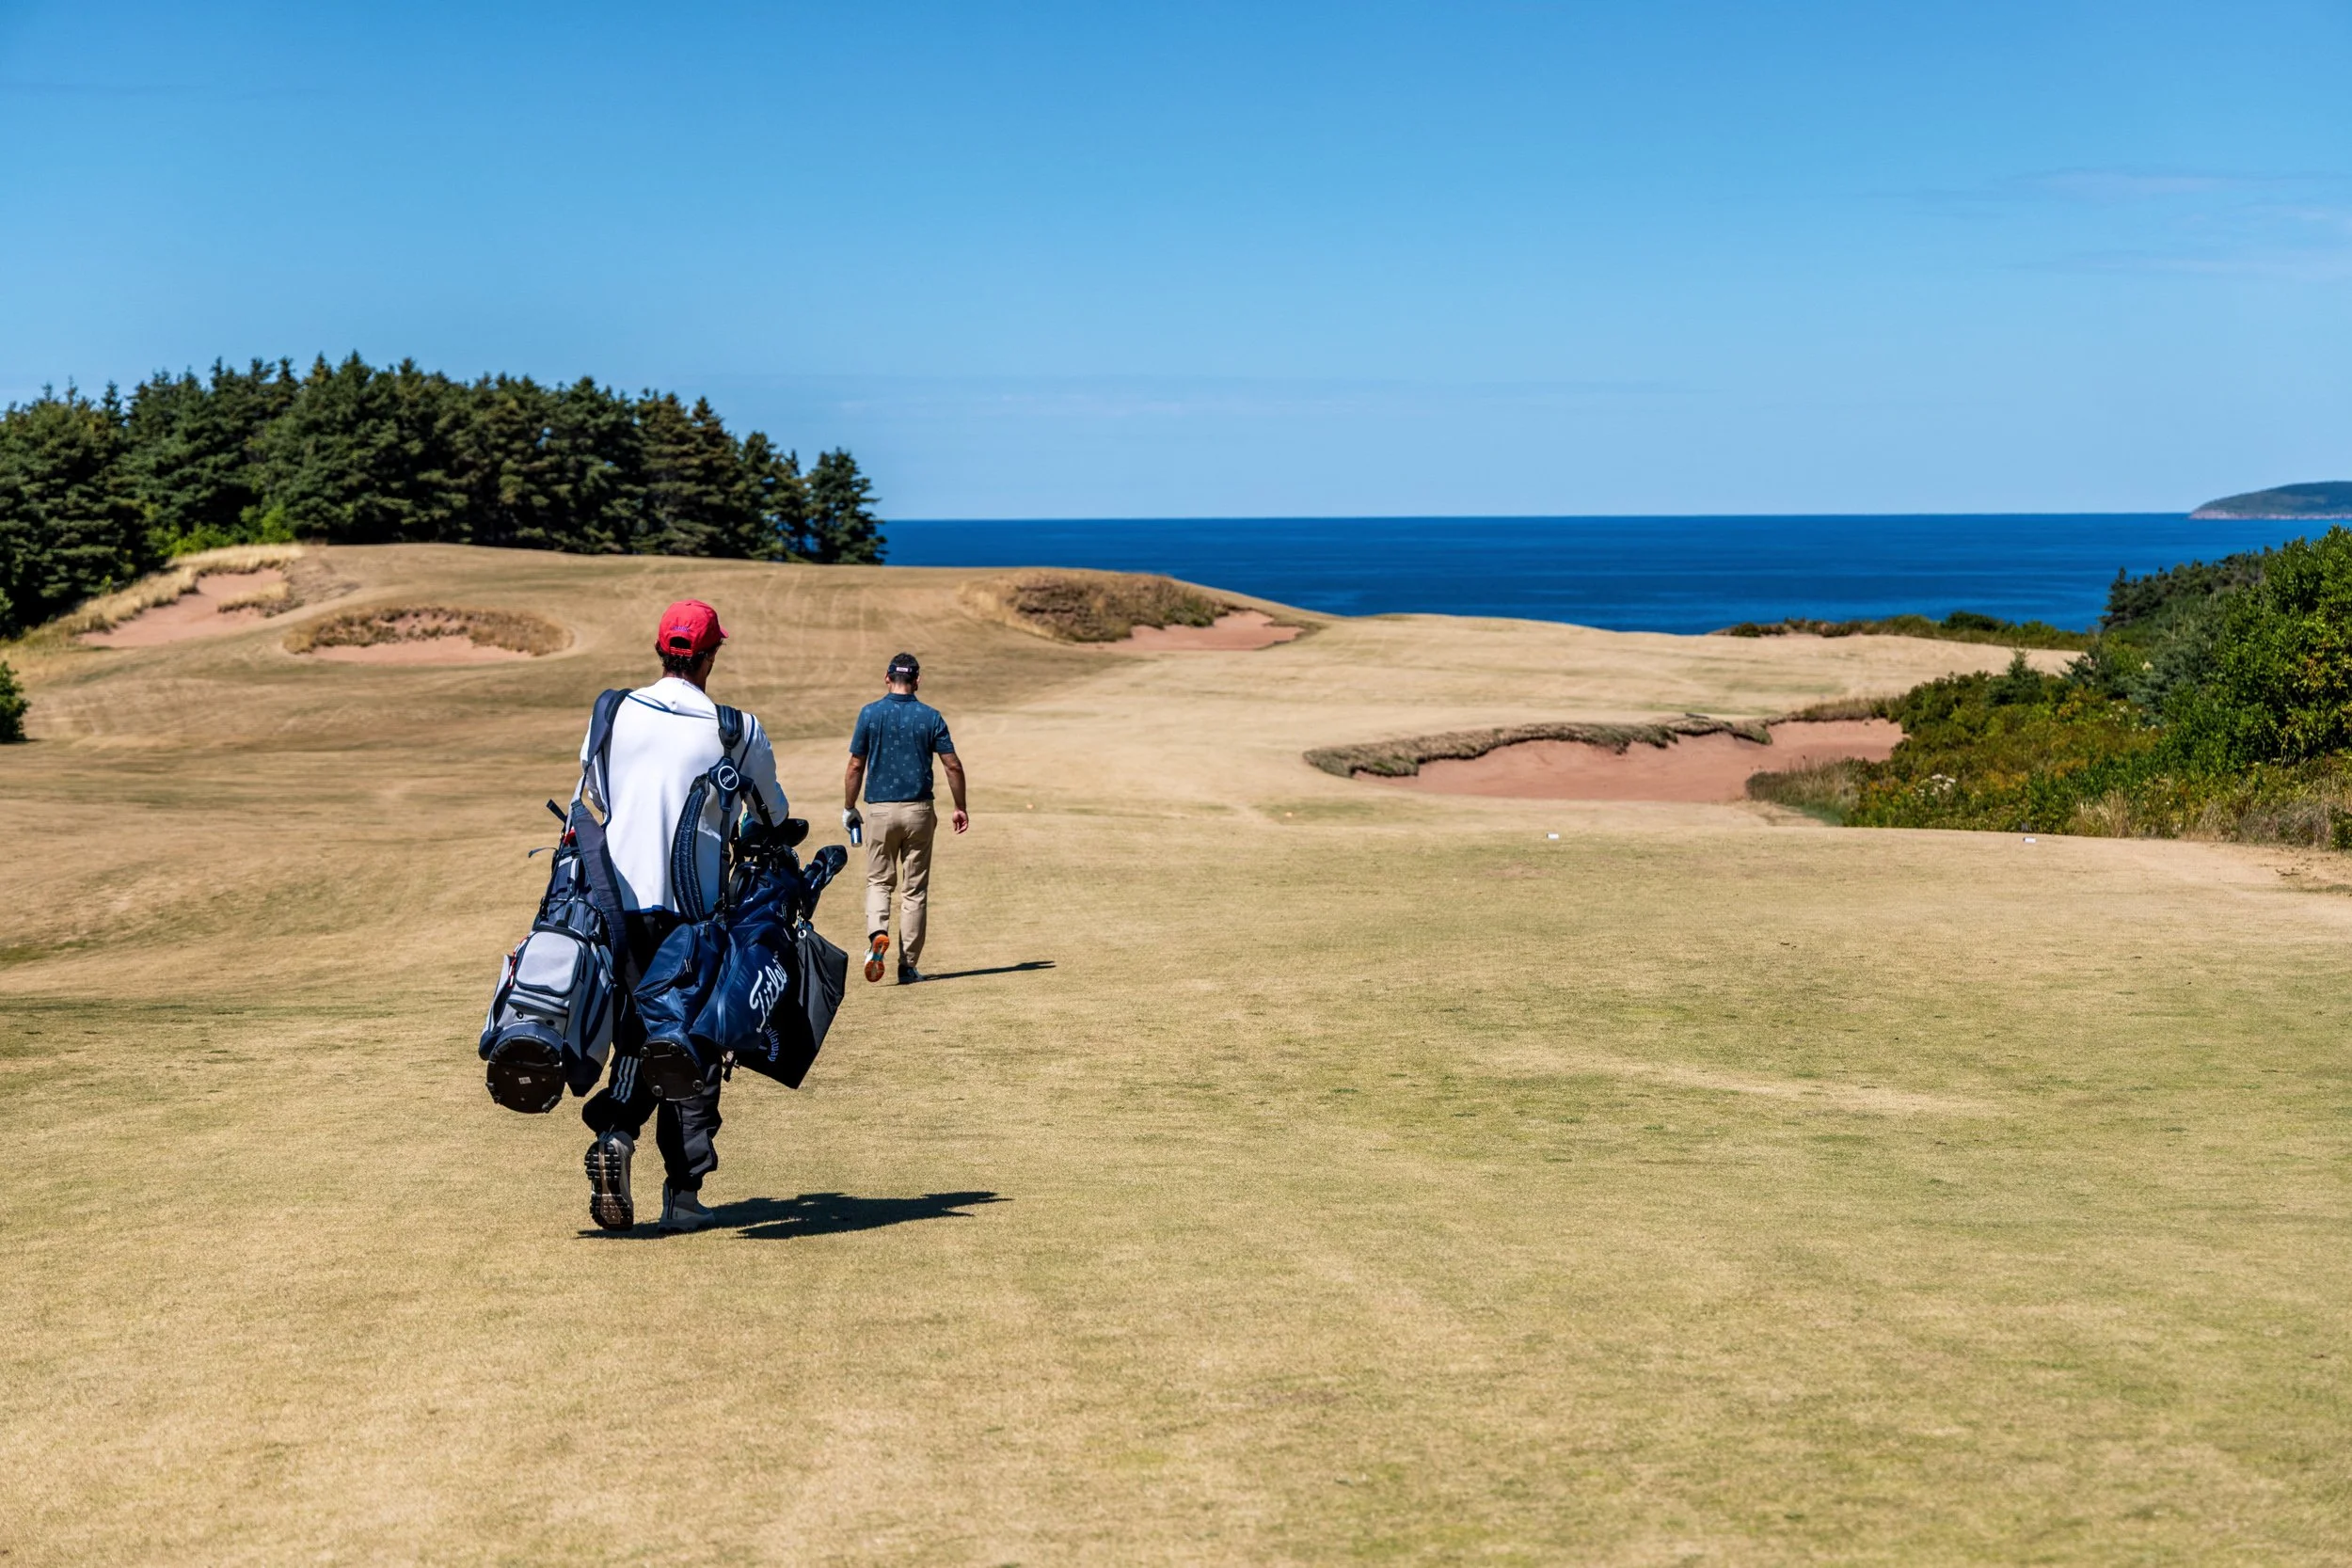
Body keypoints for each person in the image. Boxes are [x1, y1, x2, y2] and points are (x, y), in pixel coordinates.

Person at [579, 599, 788, 1234]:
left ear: (658, 651)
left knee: (639, 1037)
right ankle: (683, 1192)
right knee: (694, 1041)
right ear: (712, 655)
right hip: (692, 916)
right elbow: (775, 817)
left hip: (610, 908)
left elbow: (592, 800)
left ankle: (616, 1132)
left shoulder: (611, 711)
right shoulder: (735, 728)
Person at [843, 652, 967, 985]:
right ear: (917, 681)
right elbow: (952, 764)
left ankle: (876, 935)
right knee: (914, 891)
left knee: (879, 882)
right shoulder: (930, 717)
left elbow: (856, 764)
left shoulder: (870, 714)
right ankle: (908, 966)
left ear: (887, 678)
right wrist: (960, 806)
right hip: (919, 811)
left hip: (880, 811)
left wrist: (849, 806)